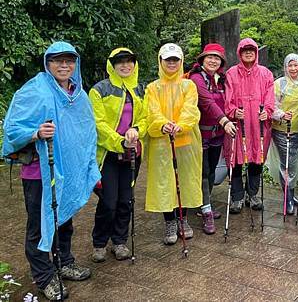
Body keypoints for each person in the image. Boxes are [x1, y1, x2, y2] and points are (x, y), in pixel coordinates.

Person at [2, 42, 100, 301]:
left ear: (75, 63)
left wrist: (88, 164)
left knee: (64, 219)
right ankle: (44, 276)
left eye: (69, 60)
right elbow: (12, 128)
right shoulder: (35, 90)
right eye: (57, 60)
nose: (64, 65)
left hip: (68, 170)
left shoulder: (79, 95)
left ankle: (64, 262)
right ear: (47, 63)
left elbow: (86, 131)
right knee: (39, 224)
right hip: (38, 172)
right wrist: (35, 133)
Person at [89, 48, 146, 262]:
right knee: (108, 201)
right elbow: (97, 123)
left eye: (129, 61)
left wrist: (137, 129)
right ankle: (99, 242)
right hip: (108, 155)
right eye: (120, 62)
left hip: (132, 153)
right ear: (112, 65)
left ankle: (120, 241)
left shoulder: (141, 89)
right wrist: (118, 140)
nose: (125, 65)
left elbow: (146, 117)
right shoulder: (99, 90)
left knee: (126, 199)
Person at [145, 43, 202, 245]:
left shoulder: (189, 85)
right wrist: (163, 125)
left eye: (175, 60)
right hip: (161, 142)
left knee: (184, 180)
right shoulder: (152, 88)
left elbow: (191, 110)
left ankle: (183, 219)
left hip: (186, 141)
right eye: (167, 60)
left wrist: (181, 125)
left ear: (181, 61)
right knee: (164, 181)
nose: (171, 63)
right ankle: (169, 222)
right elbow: (151, 112)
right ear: (160, 61)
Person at [188, 43, 237, 234]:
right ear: (202, 59)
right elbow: (206, 102)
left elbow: (229, 100)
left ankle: (202, 203)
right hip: (201, 133)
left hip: (217, 134)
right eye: (210, 57)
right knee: (204, 170)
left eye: (217, 58)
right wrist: (225, 121)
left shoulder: (222, 80)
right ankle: (206, 210)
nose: (213, 60)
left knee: (210, 171)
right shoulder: (196, 78)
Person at [224, 38, 274, 213]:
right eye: (245, 49)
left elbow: (270, 96)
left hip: (259, 126)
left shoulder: (266, 73)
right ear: (239, 52)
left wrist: (267, 111)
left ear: (256, 52)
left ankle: (252, 194)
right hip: (239, 124)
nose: (248, 52)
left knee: (256, 159)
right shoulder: (231, 73)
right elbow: (227, 98)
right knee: (236, 160)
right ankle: (237, 197)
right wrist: (232, 111)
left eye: (251, 49)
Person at [271, 53, 298, 215]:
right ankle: (288, 196)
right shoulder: (279, 84)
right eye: (290, 65)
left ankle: (291, 193)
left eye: (296, 65)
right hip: (281, 130)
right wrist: (280, 114)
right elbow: (271, 105)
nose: (293, 68)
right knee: (286, 164)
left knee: (294, 164)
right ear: (285, 67)